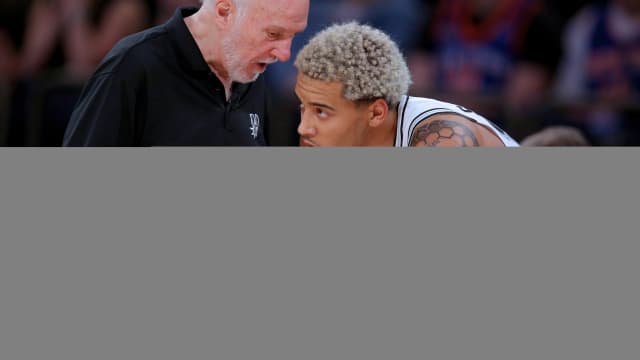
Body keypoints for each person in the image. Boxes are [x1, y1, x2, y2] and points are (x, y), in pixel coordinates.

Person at [63, 0, 309, 146]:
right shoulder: (134, 66)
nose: (285, 54)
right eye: (273, 34)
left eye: (293, 35)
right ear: (224, 11)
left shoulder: (250, 72)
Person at [293, 22, 519, 147]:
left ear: (376, 113)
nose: (303, 128)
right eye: (303, 108)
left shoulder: (443, 139)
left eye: (321, 112)